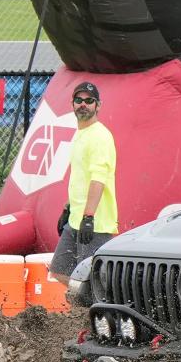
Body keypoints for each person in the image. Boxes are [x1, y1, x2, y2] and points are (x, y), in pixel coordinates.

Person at [49, 82, 118, 284]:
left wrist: (89, 217)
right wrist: (70, 208)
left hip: (95, 223)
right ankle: (84, 310)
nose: (83, 104)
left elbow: (98, 179)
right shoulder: (81, 134)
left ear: (98, 105)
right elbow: (81, 179)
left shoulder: (100, 136)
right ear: (72, 103)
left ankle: (97, 313)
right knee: (60, 271)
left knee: (92, 279)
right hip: (76, 219)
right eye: (79, 100)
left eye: (89, 101)